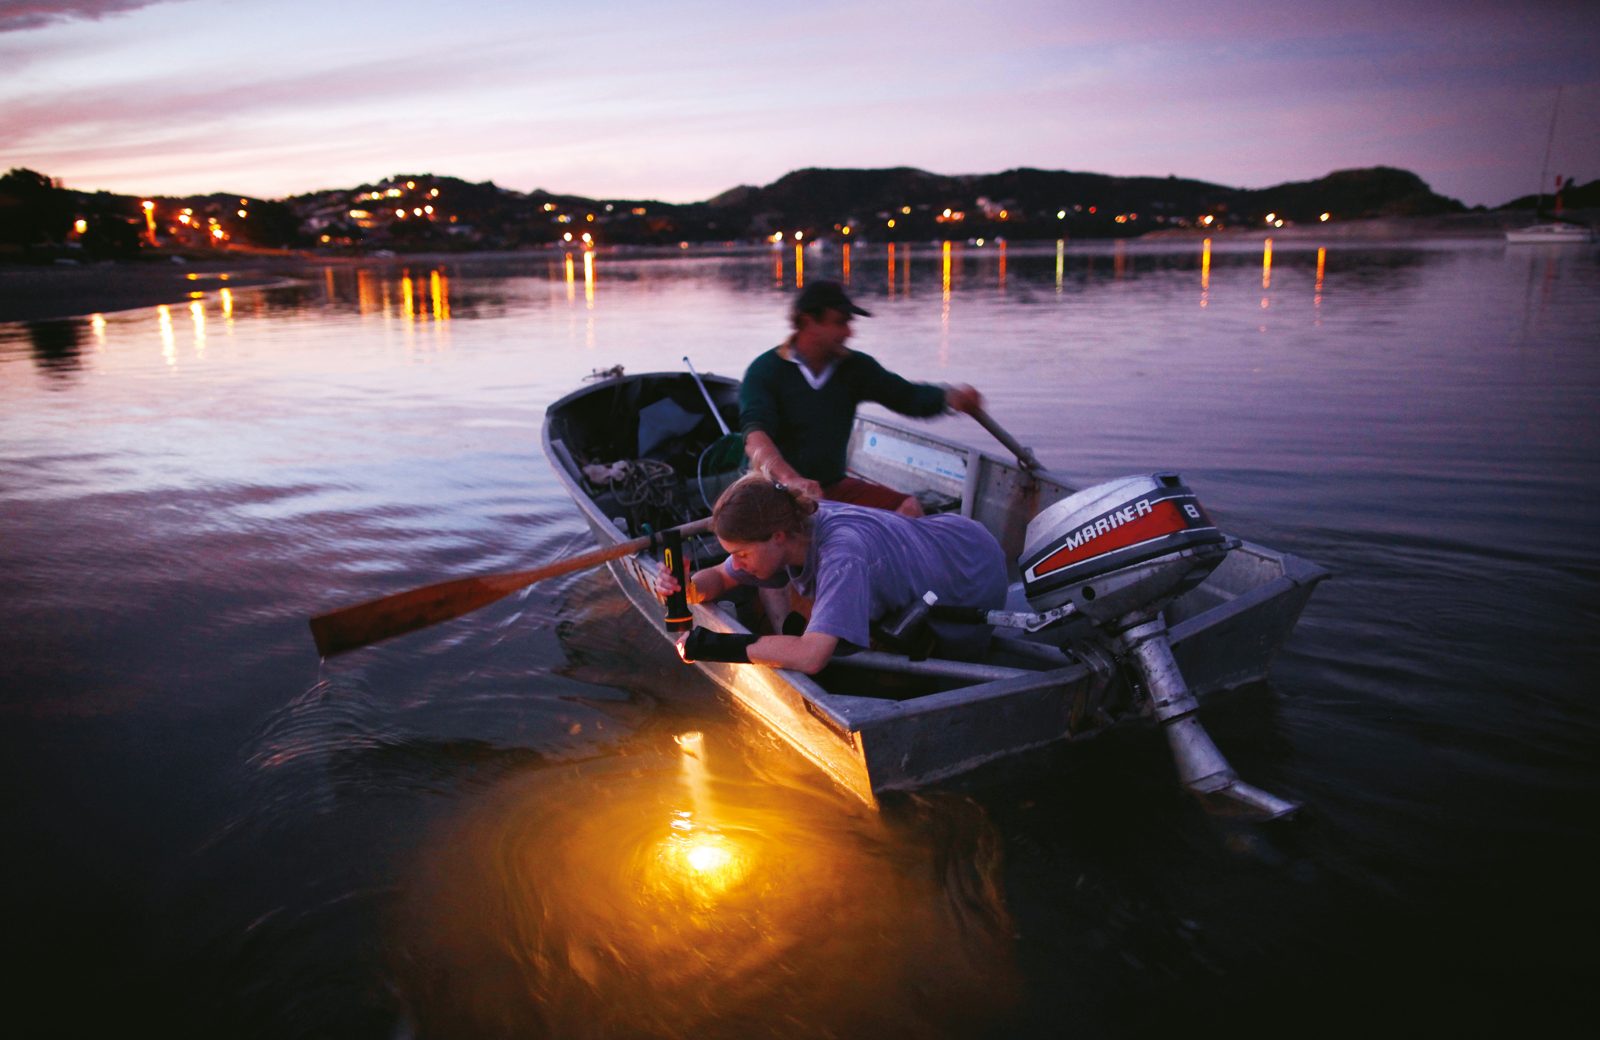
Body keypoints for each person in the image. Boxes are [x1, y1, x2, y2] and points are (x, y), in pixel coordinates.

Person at [655, 474, 1008, 675]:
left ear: (777, 537)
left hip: (972, 571)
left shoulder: (842, 556)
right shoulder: (792, 526)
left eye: (742, 553)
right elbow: (720, 577)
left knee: (822, 646)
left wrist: (709, 645)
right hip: (943, 541)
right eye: (734, 553)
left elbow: (811, 657)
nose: (738, 562)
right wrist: (687, 589)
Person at [740, 280, 984, 517]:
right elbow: (755, 437)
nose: (849, 332)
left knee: (908, 510)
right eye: (840, 322)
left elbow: (906, 397)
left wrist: (949, 398)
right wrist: (790, 479)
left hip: (831, 487)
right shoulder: (766, 370)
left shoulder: (854, 367)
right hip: (774, 492)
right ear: (807, 321)